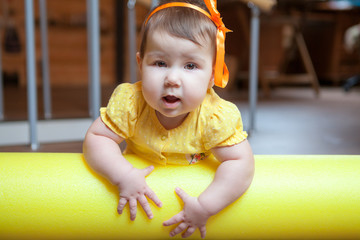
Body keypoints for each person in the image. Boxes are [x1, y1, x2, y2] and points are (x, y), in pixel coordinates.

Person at [83, 0, 254, 238]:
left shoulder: (213, 116)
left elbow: (241, 164)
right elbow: (97, 137)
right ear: (141, 64)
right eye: (160, 63)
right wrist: (122, 175)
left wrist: (205, 206)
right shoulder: (132, 103)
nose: (172, 78)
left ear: (212, 75)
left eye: (190, 66)